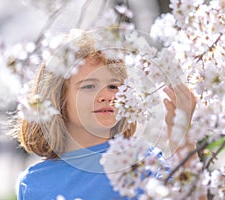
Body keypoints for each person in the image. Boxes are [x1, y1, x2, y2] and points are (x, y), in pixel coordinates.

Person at [12, 30, 197, 200]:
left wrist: (183, 137)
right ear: (57, 99)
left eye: (113, 86)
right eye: (89, 86)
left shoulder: (144, 163)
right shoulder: (33, 184)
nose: (106, 96)